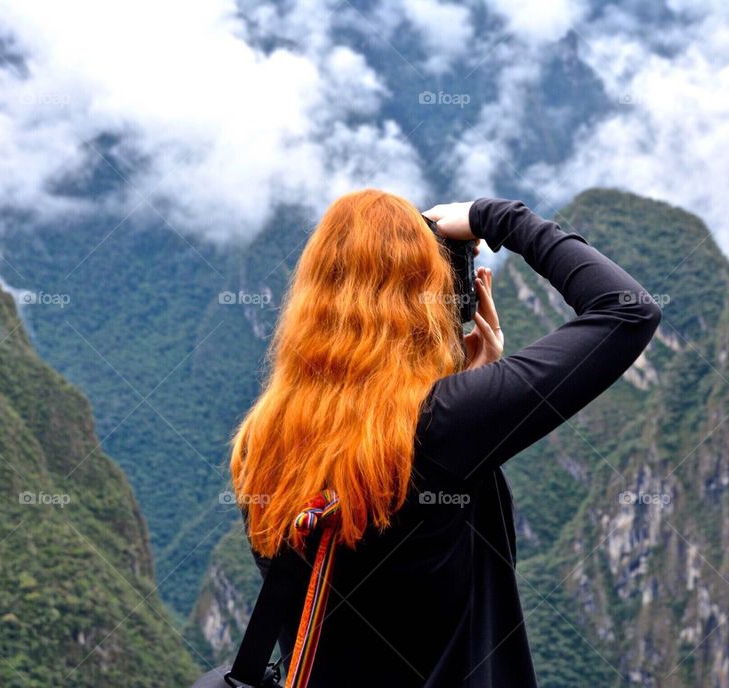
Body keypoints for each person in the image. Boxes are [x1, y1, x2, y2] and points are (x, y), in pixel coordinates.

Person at [228, 189, 662, 687]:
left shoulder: (259, 445)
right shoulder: (444, 424)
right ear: (428, 298)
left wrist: (467, 386)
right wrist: (497, 218)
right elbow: (628, 312)